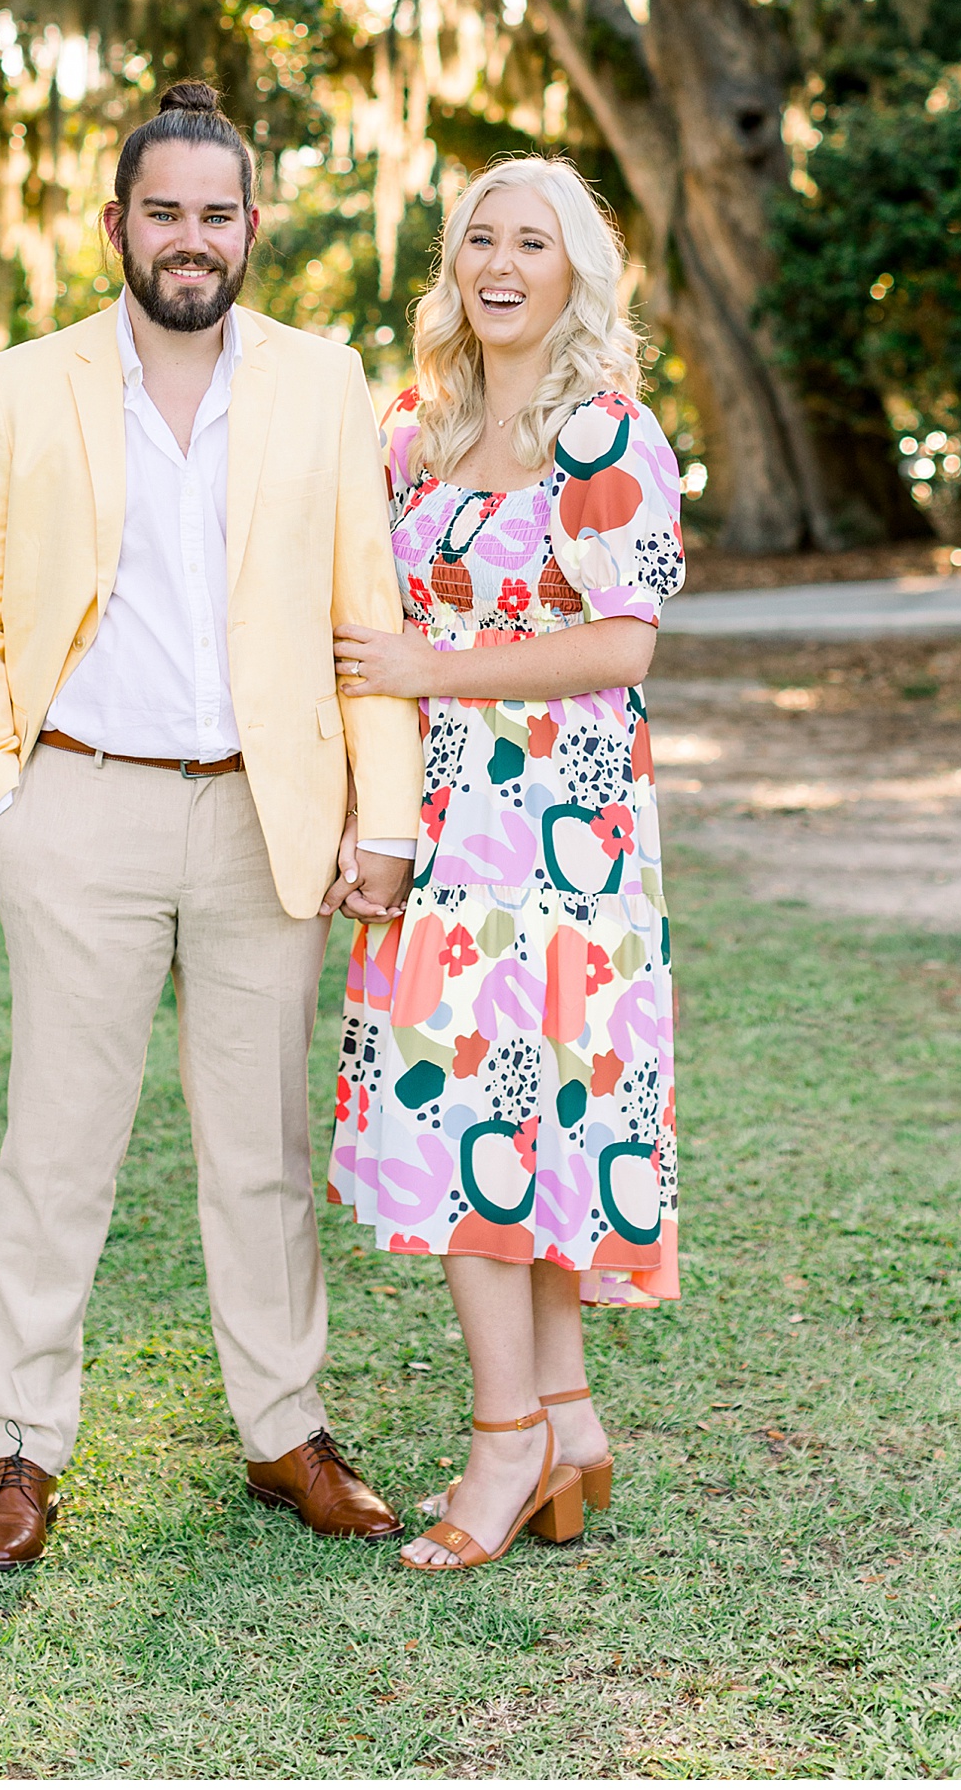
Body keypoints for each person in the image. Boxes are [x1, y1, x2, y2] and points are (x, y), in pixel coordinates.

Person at [0, 80, 423, 1570]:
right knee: (58, 1143)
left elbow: (364, 620)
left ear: (251, 226)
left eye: (217, 213)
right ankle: (21, 1451)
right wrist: (4, 803)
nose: (191, 238)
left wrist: (377, 817)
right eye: (165, 212)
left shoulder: (326, 383)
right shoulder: (25, 386)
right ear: (119, 224)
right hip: (80, 804)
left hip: (269, 820)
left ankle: (285, 1433)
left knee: (261, 1148)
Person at [328, 156, 684, 1572]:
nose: (501, 260)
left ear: (576, 273)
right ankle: (569, 1420)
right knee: (511, 1133)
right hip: (451, 828)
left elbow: (625, 644)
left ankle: (504, 1441)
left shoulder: (605, 436)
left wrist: (437, 663)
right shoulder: (420, 426)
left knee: (480, 1127)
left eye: (533, 241)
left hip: (563, 842)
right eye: (481, 235)